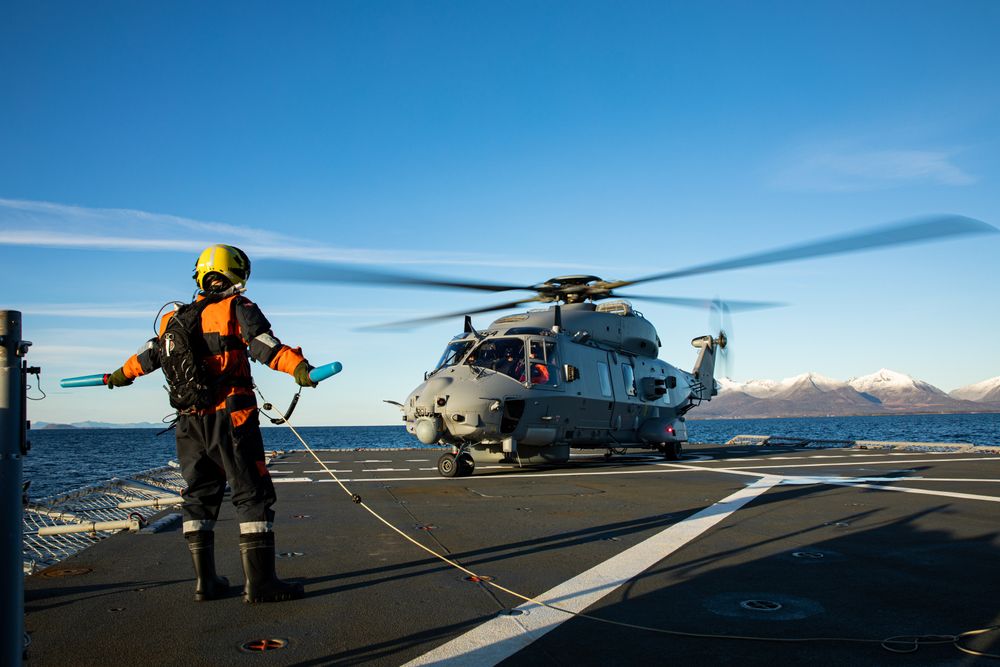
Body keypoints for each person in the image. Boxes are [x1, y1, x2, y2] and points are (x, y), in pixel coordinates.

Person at [105, 244, 317, 604]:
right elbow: (265, 347)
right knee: (251, 492)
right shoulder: (238, 307)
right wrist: (300, 369)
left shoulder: (173, 319)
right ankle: (261, 584)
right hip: (231, 417)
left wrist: (118, 376)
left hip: (188, 422)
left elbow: (147, 357)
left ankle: (206, 583)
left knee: (199, 495)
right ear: (236, 272)